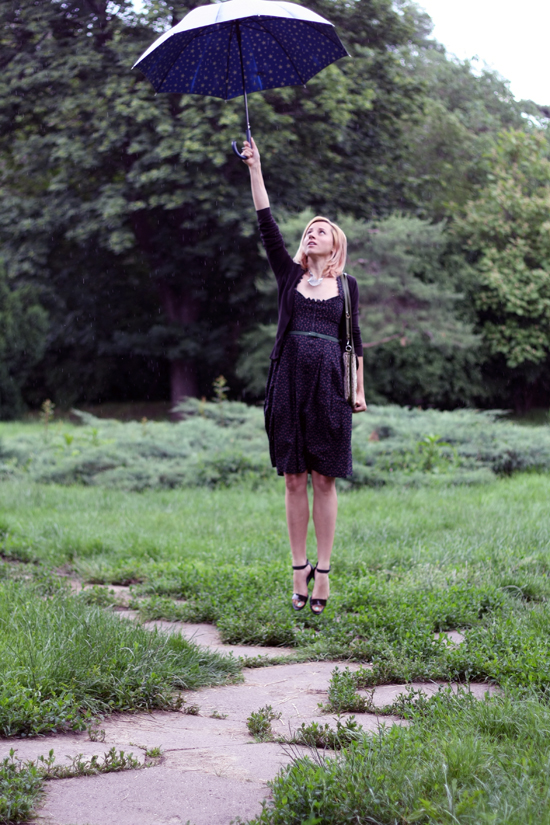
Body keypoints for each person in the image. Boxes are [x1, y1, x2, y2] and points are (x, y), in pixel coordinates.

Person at [242, 137, 367, 615]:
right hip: (288, 384)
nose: (311, 234)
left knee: (325, 480)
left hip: (330, 389)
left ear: (335, 243)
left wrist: (358, 389)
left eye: (321, 230)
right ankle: (298, 568)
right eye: (309, 231)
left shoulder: (348, 287)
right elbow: (266, 223)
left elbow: (353, 339)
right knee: (293, 479)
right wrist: (256, 168)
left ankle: (325, 572)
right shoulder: (290, 277)